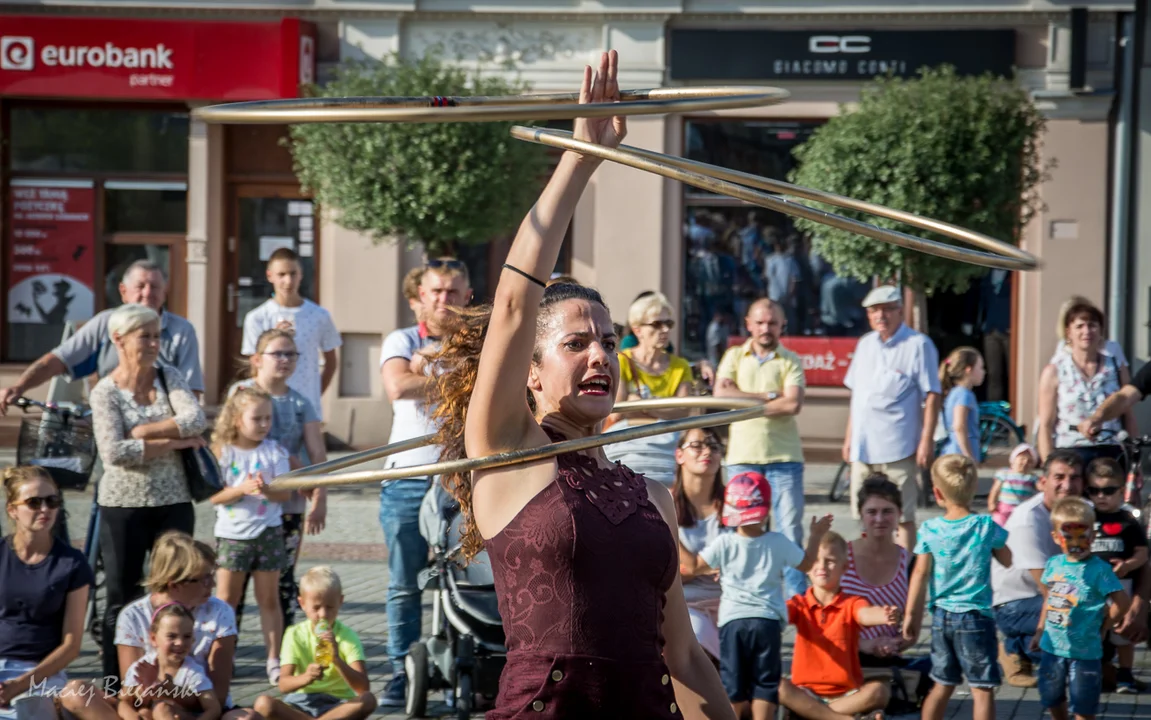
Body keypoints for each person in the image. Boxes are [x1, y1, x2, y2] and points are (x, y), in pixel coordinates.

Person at [427, 51, 733, 718]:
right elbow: (512, 304)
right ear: (529, 374)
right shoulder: (506, 453)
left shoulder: (651, 493)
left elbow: (680, 656)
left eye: (609, 339)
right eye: (575, 342)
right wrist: (581, 156)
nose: (600, 354)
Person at [89, 304, 208, 685]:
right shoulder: (104, 392)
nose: (156, 343)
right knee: (121, 598)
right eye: (147, 336)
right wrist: (173, 442)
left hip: (173, 503)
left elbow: (196, 419)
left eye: (158, 335)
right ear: (119, 340)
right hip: (122, 507)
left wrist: (142, 432)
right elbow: (113, 453)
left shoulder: (168, 375)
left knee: (174, 593)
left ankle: (174, 680)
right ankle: (115, 684)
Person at [376, 257, 472, 706]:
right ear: (420, 298)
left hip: (463, 478)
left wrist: (427, 371)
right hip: (408, 478)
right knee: (404, 581)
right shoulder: (402, 338)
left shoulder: (478, 343)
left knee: (468, 579)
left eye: (453, 292)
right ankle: (401, 671)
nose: (444, 300)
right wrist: (458, 379)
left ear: (468, 296)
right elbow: (398, 387)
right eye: (436, 291)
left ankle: (463, 667)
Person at [72, 532, 255, 720]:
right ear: (174, 584)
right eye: (204, 579)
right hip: (148, 709)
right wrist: (149, 698)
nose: (213, 584)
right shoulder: (133, 615)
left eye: (212, 576)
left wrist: (168, 691)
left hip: (203, 710)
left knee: (246, 718)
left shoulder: (219, 611)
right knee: (75, 691)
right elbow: (133, 695)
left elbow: (219, 696)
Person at [697, 472, 833, 720]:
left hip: (733, 621)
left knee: (733, 683)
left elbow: (694, 566)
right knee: (765, 683)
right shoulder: (777, 541)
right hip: (766, 620)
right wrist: (815, 535)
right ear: (766, 508)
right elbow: (807, 564)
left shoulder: (724, 543)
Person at [0, 260, 204, 413]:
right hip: (108, 417)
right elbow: (58, 360)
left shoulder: (182, 331)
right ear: (123, 291)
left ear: (165, 293)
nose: (148, 293)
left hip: (160, 419)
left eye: (155, 287)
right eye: (140, 286)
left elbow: (191, 392)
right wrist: (19, 386)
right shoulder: (106, 322)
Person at [233, 329, 328, 634]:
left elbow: (317, 452)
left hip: (288, 506)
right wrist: (290, 462)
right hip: (244, 505)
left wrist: (320, 498)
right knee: (236, 580)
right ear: (257, 359)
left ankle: (284, 656)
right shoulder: (241, 393)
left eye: (291, 354)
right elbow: (225, 442)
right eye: (278, 353)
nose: (285, 360)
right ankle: (224, 654)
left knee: (282, 580)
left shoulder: (301, 403)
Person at [904, 455, 1011, 720]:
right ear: (974, 489)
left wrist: (910, 616)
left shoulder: (930, 529)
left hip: (941, 617)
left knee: (942, 683)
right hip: (976, 617)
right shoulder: (984, 526)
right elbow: (1008, 560)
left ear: (937, 492)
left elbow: (919, 574)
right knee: (982, 689)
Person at [714, 298, 807, 598]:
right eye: (761, 322)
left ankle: (797, 605)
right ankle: (742, 596)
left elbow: (792, 404)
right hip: (743, 457)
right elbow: (721, 395)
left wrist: (745, 401)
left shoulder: (791, 359)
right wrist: (769, 397)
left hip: (785, 458)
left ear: (782, 326)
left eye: (773, 323)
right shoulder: (733, 356)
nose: (766, 328)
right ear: (749, 324)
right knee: (742, 532)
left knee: (790, 532)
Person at [842, 285, 941, 550]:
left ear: (900, 311)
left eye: (887, 310)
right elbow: (858, 398)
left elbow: (932, 394)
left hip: (899, 446)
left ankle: (903, 577)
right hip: (863, 448)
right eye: (874, 311)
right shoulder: (864, 345)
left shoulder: (918, 345)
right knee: (863, 515)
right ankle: (867, 573)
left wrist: (926, 440)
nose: (880, 316)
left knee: (903, 517)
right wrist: (849, 438)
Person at [210, 386, 293, 685]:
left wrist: (267, 489)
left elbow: (285, 494)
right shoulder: (223, 453)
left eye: (268, 418)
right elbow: (214, 497)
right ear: (236, 419)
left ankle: (274, 659)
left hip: (268, 533)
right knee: (226, 600)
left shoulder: (275, 451)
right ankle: (221, 656)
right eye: (256, 418)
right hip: (232, 536)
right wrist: (241, 490)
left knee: (268, 600)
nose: (263, 424)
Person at [0, 467, 93, 719]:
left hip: (41, 672)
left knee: (27, 711)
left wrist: (19, 684)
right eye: (33, 502)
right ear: (12, 510)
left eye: (52, 501)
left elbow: (72, 646)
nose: (45, 509)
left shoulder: (72, 564)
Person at [777, 532, 897, 720]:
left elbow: (865, 614)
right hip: (805, 691)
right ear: (806, 566)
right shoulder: (799, 604)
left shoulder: (852, 602)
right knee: (777, 686)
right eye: (816, 560)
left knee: (879, 690)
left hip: (846, 694)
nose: (822, 566)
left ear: (844, 568)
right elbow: (777, 615)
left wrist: (884, 615)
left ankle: (813, 715)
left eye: (830, 560)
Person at [991, 449, 1083, 688]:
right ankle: (1015, 647)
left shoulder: (1083, 509)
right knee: (1079, 624)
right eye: (1059, 477)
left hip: (1060, 592)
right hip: (1015, 602)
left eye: (1074, 478)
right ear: (1042, 482)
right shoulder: (1028, 519)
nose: (1067, 485)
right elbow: (1049, 589)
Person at [1035, 497, 1129, 720]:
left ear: (1093, 536)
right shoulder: (1053, 565)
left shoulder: (1100, 569)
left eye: (1082, 536)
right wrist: (1040, 629)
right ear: (1057, 538)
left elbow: (1122, 602)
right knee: (1051, 696)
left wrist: (1106, 625)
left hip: (1085, 652)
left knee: (1084, 706)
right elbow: (1049, 598)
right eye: (1068, 537)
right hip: (1052, 647)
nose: (1076, 544)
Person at [253, 567, 376, 720]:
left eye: (330, 607)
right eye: (316, 607)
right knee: (263, 704)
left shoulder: (347, 636)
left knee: (368, 699)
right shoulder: (294, 634)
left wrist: (337, 660)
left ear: (340, 601)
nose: (323, 614)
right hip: (300, 704)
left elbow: (363, 687)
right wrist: (306, 677)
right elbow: (284, 685)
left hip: (337, 705)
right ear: (302, 603)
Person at [603, 292, 695, 487]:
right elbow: (618, 409)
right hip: (628, 447)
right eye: (656, 324)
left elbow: (683, 410)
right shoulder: (622, 360)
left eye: (668, 324)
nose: (664, 330)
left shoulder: (680, 366)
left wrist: (643, 405)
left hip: (667, 450)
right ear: (637, 330)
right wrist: (664, 409)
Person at [241, 248, 341, 421]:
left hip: (307, 407)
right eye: (281, 274)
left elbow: (331, 362)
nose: (288, 281)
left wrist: (315, 396)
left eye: (293, 274)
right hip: (270, 407)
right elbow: (254, 365)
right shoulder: (257, 318)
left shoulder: (319, 315)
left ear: (301, 274)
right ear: (270, 275)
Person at [1037, 298, 1136, 470]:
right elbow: (1046, 424)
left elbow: (1127, 414)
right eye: (1080, 326)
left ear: (1100, 330)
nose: (1087, 331)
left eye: (1092, 325)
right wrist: (1049, 467)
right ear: (1068, 332)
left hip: (1111, 450)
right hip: (1070, 452)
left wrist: (1135, 462)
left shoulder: (1115, 367)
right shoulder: (1055, 371)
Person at [1084, 458, 1147, 694]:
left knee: (1122, 632)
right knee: (1095, 628)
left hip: (1122, 584)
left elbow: (1142, 553)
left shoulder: (1128, 521)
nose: (1101, 496)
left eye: (1108, 490)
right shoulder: (1087, 519)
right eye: (1095, 490)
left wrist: (1128, 565)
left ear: (1121, 491)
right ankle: (1093, 671)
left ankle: (1126, 674)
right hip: (1093, 587)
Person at [840, 476, 914, 665]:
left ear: (899, 513)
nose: (879, 519)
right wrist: (864, 644)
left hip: (888, 657)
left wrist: (892, 644)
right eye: (872, 512)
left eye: (887, 511)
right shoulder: (840, 556)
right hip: (843, 655)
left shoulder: (909, 562)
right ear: (860, 514)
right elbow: (822, 620)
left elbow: (911, 631)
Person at [672, 428, 727, 660]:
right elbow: (671, 572)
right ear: (679, 455)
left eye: (714, 447)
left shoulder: (735, 503)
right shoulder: (663, 503)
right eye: (697, 445)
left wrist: (693, 568)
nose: (707, 451)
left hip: (733, 601)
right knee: (696, 644)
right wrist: (705, 566)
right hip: (688, 605)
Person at [119, 604, 220, 720]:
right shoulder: (141, 667)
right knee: (144, 713)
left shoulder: (192, 671)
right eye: (172, 636)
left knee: (161, 708)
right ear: (153, 639)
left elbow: (213, 708)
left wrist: (171, 690)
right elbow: (123, 701)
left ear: (193, 639)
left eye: (186, 636)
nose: (180, 643)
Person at [937, 347, 985, 463]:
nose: (984, 372)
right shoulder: (964, 394)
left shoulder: (955, 392)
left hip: (952, 452)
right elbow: (959, 426)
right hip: (959, 457)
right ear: (968, 370)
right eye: (981, 367)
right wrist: (968, 456)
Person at [988, 444, 1040, 527]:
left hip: (1022, 508)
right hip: (1004, 508)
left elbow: (1040, 489)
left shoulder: (1031, 477)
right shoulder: (1004, 473)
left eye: (1029, 461)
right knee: (999, 524)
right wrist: (992, 502)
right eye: (1022, 459)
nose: (1025, 462)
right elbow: (995, 489)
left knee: (1019, 527)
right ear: (1013, 460)